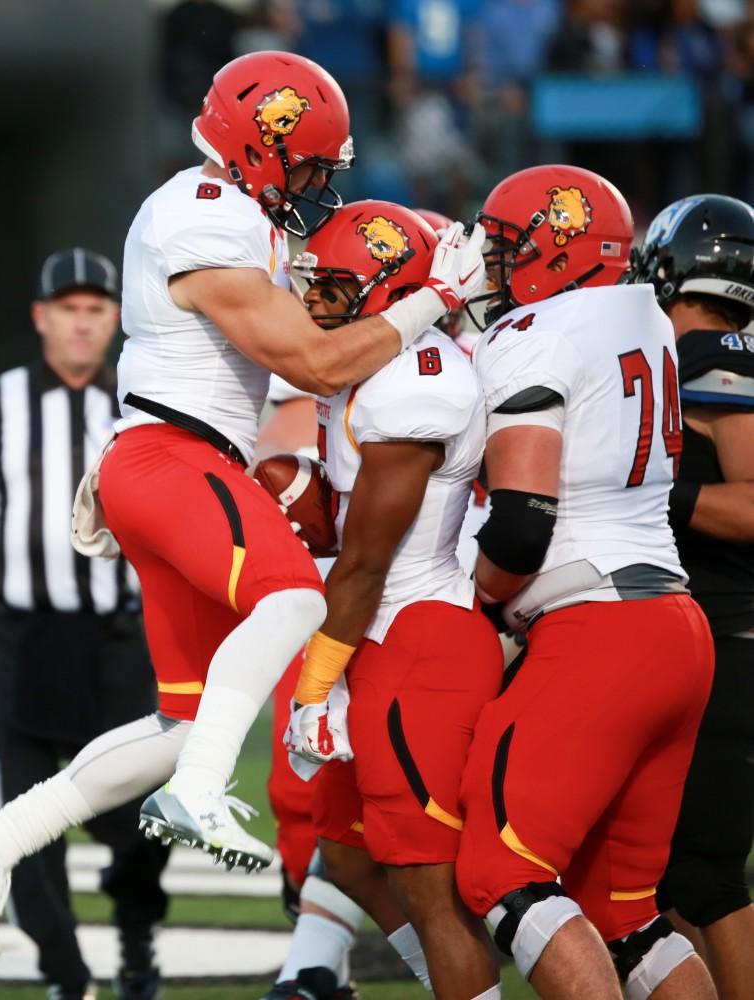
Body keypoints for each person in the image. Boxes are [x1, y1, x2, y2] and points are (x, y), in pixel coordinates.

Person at [0, 49, 487, 969]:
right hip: (172, 455)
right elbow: (312, 363)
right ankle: (196, 790)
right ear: (261, 149)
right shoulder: (205, 212)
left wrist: (419, 271)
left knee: (185, 720)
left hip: (177, 459)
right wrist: (436, 300)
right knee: (294, 601)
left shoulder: (234, 214)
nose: (313, 182)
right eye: (307, 162)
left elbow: (319, 318)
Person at [454, 164, 718, 1000]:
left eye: (506, 248)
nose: (493, 269)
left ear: (555, 250)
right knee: (621, 911)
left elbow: (523, 521)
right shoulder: (643, 313)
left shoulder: (536, 332)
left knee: (501, 872)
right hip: (675, 623)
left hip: (593, 628)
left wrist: (476, 601)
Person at [0, 248, 168, 1000]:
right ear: (42, 317)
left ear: (115, 318)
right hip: (16, 639)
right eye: (69, 310)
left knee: (140, 815)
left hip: (115, 640)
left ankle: (137, 927)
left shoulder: (142, 409)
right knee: (17, 811)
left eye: (96, 310)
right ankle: (66, 977)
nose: (82, 324)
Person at [273, 201, 503, 1000]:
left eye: (335, 286)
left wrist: (314, 687)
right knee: (344, 855)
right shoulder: (368, 364)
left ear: (387, 292)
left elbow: (368, 562)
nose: (315, 299)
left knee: (431, 885)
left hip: (416, 636)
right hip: (374, 628)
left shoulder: (417, 381)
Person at [628, 193, 754, 1000]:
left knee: (701, 872)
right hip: (698, 633)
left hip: (724, 633)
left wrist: (646, 487)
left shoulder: (715, 352)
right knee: (662, 874)